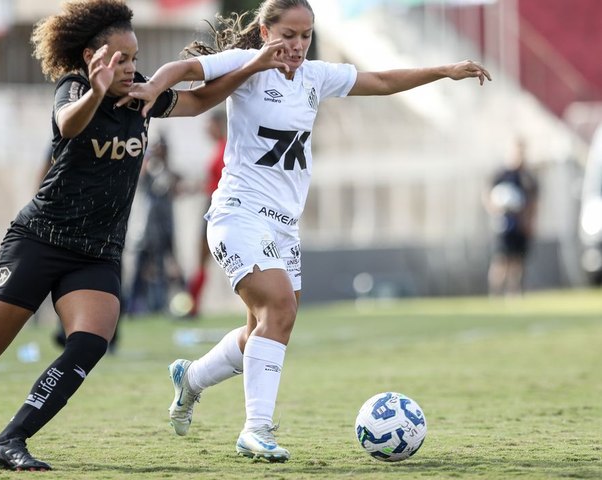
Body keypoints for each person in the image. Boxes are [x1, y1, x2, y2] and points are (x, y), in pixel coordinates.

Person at [0, 0, 288, 471]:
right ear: (93, 57)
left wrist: (254, 63)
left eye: (133, 57)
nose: (131, 67)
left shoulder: (142, 94)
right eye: (121, 58)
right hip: (41, 239)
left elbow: (198, 102)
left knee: (91, 342)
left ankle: (10, 439)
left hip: (98, 253)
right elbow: (68, 123)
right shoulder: (73, 88)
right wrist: (95, 92)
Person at [126, 0, 491, 462]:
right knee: (278, 309)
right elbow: (185, 68)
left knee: (266, 326)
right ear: (264, 31)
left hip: (283, 227)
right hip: (239, 214)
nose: (297, 45)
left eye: (306, 35)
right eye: (288, 34)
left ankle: (191, 379)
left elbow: (379, 82)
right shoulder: (247, 65)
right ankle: (256, 430)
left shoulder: (317, 76)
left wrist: (444, 70)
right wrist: (150, 89)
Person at [126, 136, 186, 315]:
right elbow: (141, 175)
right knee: (139, 268)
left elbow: (176, 183)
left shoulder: (165, 170)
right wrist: (149, 154)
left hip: (165, 226)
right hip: (145, 227)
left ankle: (167, 305)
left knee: (167, 267)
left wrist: (165, 158)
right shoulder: (148, 167)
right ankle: (132, 307)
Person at [483, 137, 538, 296]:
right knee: (500, 260)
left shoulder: (528, 177)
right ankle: (495, 294)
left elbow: (534, 202)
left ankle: (514, 293)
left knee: (517, 261)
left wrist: (530, 222)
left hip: (521, 225)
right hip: (504, 226)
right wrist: (496, 210)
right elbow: (487, 195)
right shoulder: (501, 174)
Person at [186, 110, 228, 317]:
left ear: (219, 124)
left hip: (217, 206)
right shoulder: (219, 148)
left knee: (204, 256)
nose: (206, 129)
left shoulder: (226, 149)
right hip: (211, 203)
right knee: (201, 258)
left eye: (209, 124)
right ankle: (193, 305)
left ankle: (193, 305)